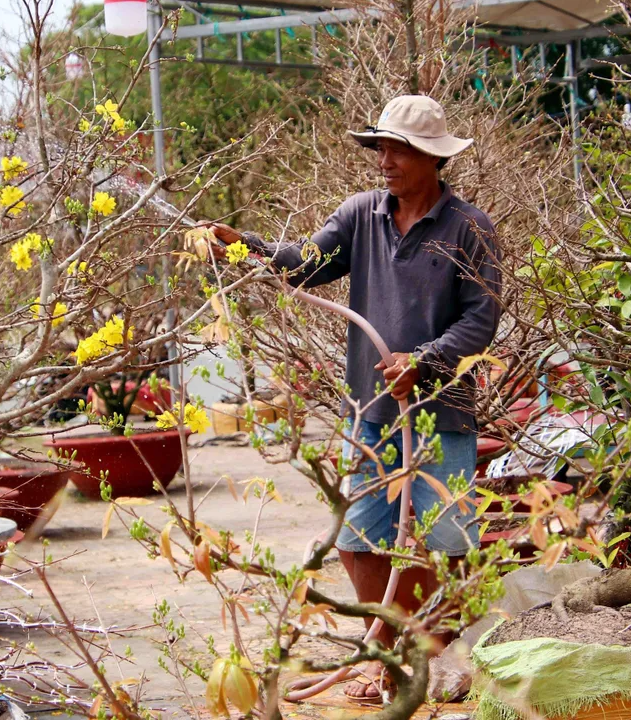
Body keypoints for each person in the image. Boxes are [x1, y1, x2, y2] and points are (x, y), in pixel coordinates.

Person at [208, 94, 501, 700]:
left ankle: (432, 652)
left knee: (445, 540)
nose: (385, 160)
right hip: (370, 409)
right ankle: (382, 649)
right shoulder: (361, 215)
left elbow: (481, 319)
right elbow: (306, 265)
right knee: (359, 534)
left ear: (430, 158)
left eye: (398, 150)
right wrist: (246, 246)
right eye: (381, 148)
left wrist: (425, 361)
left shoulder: (470, 228)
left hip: (441, 412)